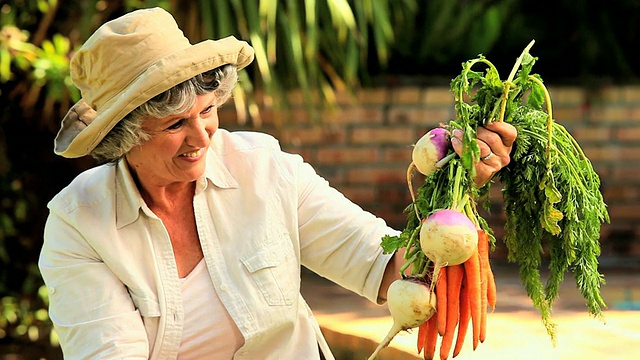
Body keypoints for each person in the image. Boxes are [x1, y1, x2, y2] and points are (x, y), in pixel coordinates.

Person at [38, 7, 517, 360]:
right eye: (173, 126)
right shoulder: (79, 224)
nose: (202, 135)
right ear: (125, 137)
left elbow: (384, 265)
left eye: (207, 111)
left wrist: (454, 188)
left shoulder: (265, 169)